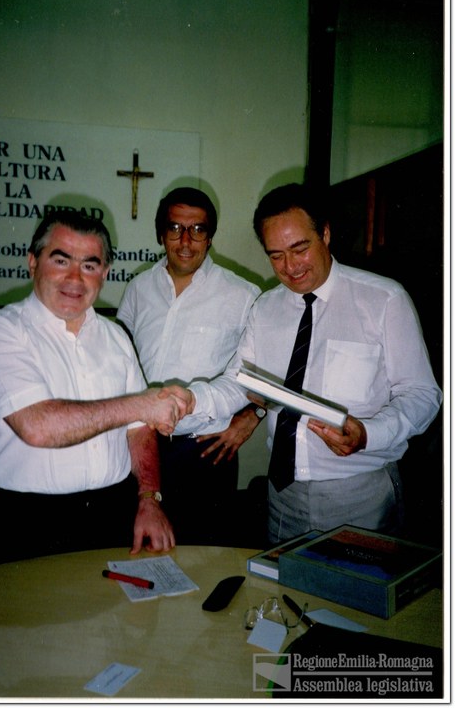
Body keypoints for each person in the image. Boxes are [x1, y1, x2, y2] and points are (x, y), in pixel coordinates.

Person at [178, 184, 442, 544]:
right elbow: (238, 381)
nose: (290, 267)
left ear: (326, 234)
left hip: (359, 494)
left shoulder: (384, 300)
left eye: (300, 249)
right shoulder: (265, 308)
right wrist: (191, 400)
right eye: (276, 256)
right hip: (282, 496)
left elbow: (423, 394)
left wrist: (369, 433)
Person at [0, 211, 188, 565]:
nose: (75, 278)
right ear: (33, 262)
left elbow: (138, 430)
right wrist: (141, 404)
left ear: (105, 273)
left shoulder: (116, 337)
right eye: (61, 260)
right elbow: (38, 427)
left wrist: (149, 498)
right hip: (23, 519)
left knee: (112, 602)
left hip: (112, 510)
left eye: (89, 265)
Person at [117, 187, 262, 543]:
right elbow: (119, 361)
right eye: (175, 228)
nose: (185, 241)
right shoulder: (138, 288)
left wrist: (254, 415)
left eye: (197, 229)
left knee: (203, 555)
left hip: (205, 452)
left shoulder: (243, 295)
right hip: (140, 445)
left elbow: (268, 371)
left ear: (210, 237)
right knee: (139, 550)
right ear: (160, 233)